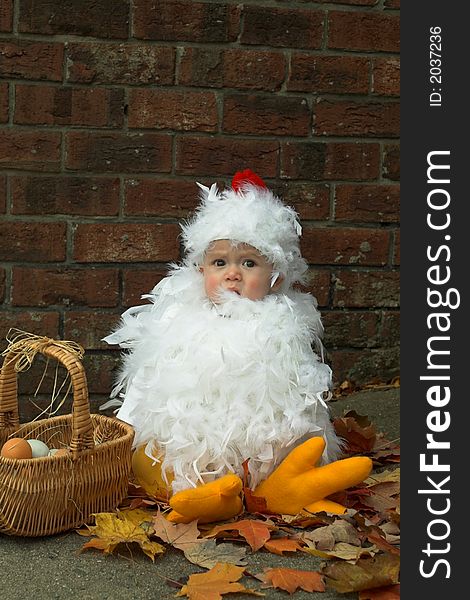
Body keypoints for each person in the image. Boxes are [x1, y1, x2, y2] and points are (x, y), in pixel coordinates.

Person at [103, 170, 371, 523]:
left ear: (275, 274)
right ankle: (207, 494)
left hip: (262, 444)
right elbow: (147, 379)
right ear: (200, 270)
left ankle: (271, 489)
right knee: (150, 456)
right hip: (192, 448)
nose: (233, 273)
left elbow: (303, 394)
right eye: (220, 262)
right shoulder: (178, 319)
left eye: (249, 263)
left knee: (300, 443)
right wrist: (126, 431)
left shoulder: (285, 324)